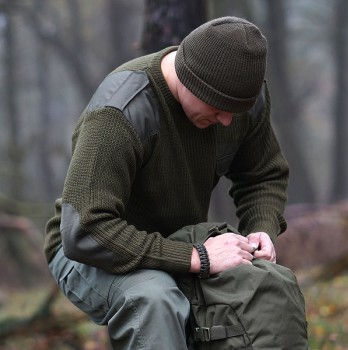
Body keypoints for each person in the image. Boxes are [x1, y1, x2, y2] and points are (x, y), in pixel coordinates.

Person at [45, 16, 289, 349]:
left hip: (181, 241)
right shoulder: (119, 114)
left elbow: (262, 174)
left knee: (265, 288)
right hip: (91, 251)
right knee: (155, 299)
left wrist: (262, 228)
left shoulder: (238, 97)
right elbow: (86, 231)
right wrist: (196, 258)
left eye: (237, 110)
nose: (228, 120)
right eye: (219, 109)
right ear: (191, 80)